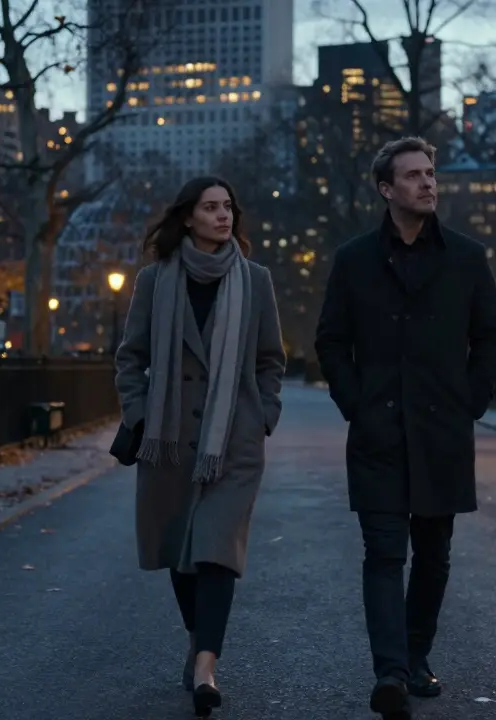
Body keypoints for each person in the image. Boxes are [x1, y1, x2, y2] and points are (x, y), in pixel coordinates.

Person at [314, 137, 496, 720]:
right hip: (378, 432)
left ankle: (416, 655)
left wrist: (469, 400)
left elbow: (492, 337)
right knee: (382, 554)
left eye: (431, 173)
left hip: (442, 432)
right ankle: (391, 673)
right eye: (414, 175)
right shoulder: (353, 260)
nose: (428, 183)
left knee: (434, 553)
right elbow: (330, 340)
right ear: (385, 188)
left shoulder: (466, 258)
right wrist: (356, 403)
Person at [114, 176, 286, 717]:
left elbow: (270, 361)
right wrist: (141, 416)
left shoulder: (255, 281)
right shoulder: (154, 281)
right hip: (168, 442)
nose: (223, 216)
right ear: (187, 217)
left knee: (215, 551)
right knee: (180, 555)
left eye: (228, 207)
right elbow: (129, 358)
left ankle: (207, 666)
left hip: (232, 441)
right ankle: (196, 642)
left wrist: (265, 416)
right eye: (211, 208)